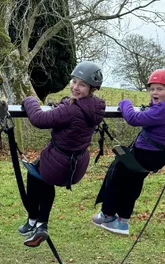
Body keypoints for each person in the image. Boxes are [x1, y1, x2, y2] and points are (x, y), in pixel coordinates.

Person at [19, 61, 105, 247]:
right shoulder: (95, 106)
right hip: (77, 163)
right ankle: (37, 222)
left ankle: (36, 221)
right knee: (40, 178)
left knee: (36, 177)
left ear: (91, 88)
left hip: (58, 160)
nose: (75, 87)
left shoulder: (71, 110)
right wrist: (62, 104)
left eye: (82, 84)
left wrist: (30, 100)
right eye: (74, 81)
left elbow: (39, 119)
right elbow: (71, 111)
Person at [92, 69, 165, 236]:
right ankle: (122, 221)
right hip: (157, 155)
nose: (155, 92)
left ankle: (107, 214)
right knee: (132, 182)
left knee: (116, 174)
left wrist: (124, 103)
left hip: (147, 154)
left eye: (159, 89)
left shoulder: (162, 110)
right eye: (152, 89)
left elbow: (133, 119)